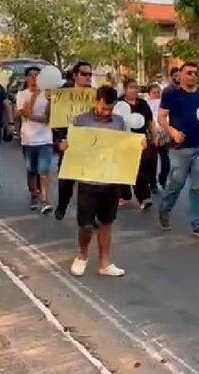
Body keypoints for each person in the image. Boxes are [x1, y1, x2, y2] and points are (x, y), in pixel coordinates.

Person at [66, 86, 130, 277]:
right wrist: (66, 146)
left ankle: (105, 262)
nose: (106, 112)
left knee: (106, 221)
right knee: (85, 224)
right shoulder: (81, 120)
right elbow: (72, 145)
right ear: (96, 102)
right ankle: (82, 256)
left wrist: (137, 145)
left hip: (111, 179)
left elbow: (126, 146)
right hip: (88, 179)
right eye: (103, 108)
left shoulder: (119, 122)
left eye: (110, 109)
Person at [158, 62, 199, 239]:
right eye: (189, 73)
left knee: (198, 187)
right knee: (176, 184)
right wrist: (172, 132)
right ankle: (164, 210)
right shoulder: (171, 94)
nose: (192, 76)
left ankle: (198, 224)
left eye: (195, 73)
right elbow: (161, 117)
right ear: (180, 75)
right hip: (179, 148)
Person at [54, 61, 93, 220]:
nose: (88, 77)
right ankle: (62, 204)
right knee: (66, 181)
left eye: (90, 74)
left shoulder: (96, 95)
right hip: (69, 142)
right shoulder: (64, 95)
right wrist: (60, 140)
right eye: (84, 74)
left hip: (90, 144)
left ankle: (90, 215)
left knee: (90, 183)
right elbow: (57, 120)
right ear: (76, 75)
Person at [16, 66, 54, 213]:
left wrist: (50, 101)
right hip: (29, 139)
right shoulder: (22, 95)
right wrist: (34, 96)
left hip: (45, 139)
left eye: (37, 75)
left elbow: (49, 117)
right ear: (26, 78)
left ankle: (45, 201)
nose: (34, 78)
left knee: (44, 170)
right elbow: (26, 113)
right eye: (31, 75)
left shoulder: (47, 95)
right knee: (31, 170)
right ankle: (34, 195)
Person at [119, 79, 157, 212]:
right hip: (123, 141)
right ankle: (125, 194)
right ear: (125, 89)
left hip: (140, 141)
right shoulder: (119, 104)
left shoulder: (142, 104)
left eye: (136, 87)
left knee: (139, 168)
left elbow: (150, 122)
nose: (134, 90)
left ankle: (144, 197)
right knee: (125, 169)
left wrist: (153, 138)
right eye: (131, 87)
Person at [146, 83, 168, 192]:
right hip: (152, 135)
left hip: (164, 135)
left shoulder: (163, 103)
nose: (156, 94)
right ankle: (153, 184)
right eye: (154, 92)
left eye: (158, 92)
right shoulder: (147, 104)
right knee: (152, 162)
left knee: (166, 161)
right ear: (149, 94)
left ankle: (162, 179)